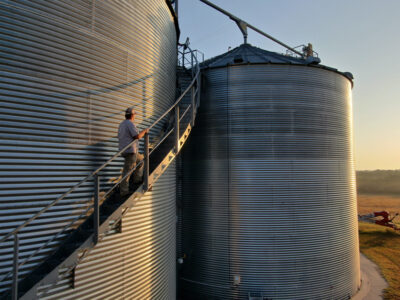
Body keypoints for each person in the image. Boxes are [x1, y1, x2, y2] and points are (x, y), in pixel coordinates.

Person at [118, 107, 149, 196]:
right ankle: (124, 191)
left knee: (141, 160)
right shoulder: (130, 124)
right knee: (127, 171)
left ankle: (137, 180)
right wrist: (145, 131)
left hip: (126, 150)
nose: (134, 117)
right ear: (132, 115)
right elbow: (137, 136)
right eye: (134, 115)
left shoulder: (122, 124)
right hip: (130, 151)